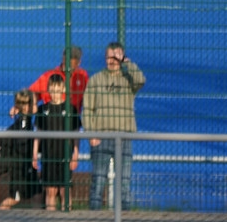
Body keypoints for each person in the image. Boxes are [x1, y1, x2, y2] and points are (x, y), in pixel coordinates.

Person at [84, 41, 145, 211]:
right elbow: (87, 109)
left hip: (124, 137)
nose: (112, 61)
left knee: (124, 183)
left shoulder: (128, 79)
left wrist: (126, 61)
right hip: (101, 137)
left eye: (115, 57)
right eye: (109, 57)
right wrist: (91, 133)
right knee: (98, 181)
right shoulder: (96, 80)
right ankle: (94, 219)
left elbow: (141, 80)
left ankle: (125, 219)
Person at [32, 74, 81, 211]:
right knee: (50, 191)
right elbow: (38, 134)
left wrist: (75, 155)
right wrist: (34, 155)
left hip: (65, 155)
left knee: (65, 190)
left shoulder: (71, 109)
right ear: (48, 90)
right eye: (52, 90)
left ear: (63, 89)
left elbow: (76, 135)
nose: (55, 94)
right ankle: (51, 218)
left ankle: (67, 216)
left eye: (58, 90)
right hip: (48, 156)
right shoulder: (43, 110)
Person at [0, 89, 40, 211]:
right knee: (15, 198)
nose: (37, 106)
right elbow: (21, 144)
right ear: (26, 107)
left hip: (28, 165)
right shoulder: (22, 123)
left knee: (37, 194)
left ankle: (39, 218)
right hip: (20, 167)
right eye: (34, 104)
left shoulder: (28, 119)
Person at [28, 45, 89, 113]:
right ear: (63, 59)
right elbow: (30, 94)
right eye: (65, 63)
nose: (67, 68)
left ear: (78, 63)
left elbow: (89, 96)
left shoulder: (83, 75)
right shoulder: (48, 76)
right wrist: (26, 104)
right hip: (52, 116)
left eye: (70, 66)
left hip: (73, 117)